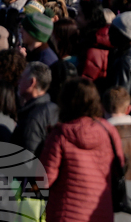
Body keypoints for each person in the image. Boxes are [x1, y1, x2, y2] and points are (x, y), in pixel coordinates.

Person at [41, 78, 124, 222]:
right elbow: (119, 167)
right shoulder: (109, 131)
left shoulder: (60, 134)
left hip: (66, 213)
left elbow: (44, 179)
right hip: (101, 211)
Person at [13, 62, 59, 157]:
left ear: (31, 82)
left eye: (22, 78)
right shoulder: (53, 109)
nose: (18, 82)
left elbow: (26, 160)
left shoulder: (32, 117)